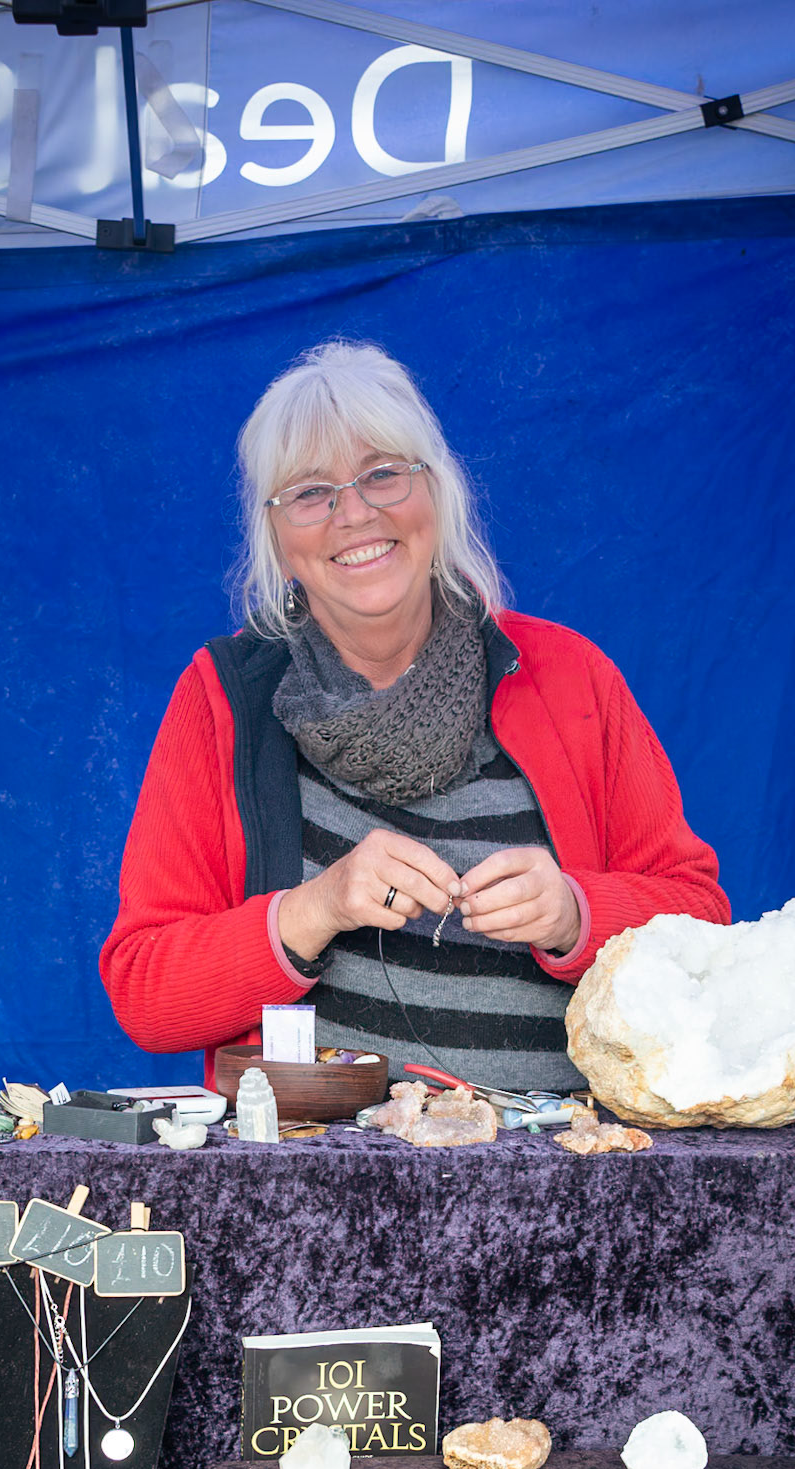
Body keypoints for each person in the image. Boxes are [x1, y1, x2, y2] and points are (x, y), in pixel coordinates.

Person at [100, 341, 728, 1092]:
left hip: (565, 1151)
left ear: (436, 489)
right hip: (312, 1157)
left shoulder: (569, 677)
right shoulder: (222, 697)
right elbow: (145, 993)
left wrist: (574, 913)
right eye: (311, 492)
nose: (354, 514)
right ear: (275, 535)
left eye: (382, 475)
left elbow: (704, 930)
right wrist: (315, 909)